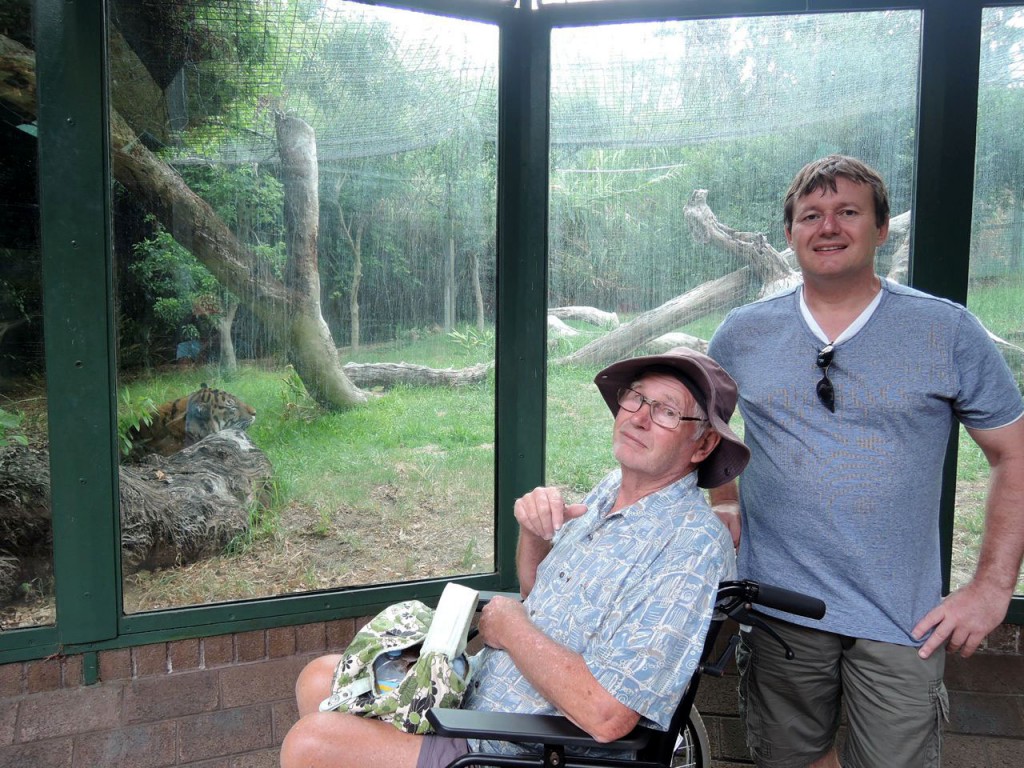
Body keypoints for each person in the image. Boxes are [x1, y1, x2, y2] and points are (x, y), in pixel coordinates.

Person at [280, 347, 750, 768]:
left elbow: (607, 716)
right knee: (319, 678)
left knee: (312, 745)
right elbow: (536, 595)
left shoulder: (691, 546)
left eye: (666, 411)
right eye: (636, 399)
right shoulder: (612, 491)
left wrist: (513, 628)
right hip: (478, 699)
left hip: (521, 749)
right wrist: (533, 534)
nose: (639, 418)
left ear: (704, 445)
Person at [707, 154, 1024, 768]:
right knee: (792, 759)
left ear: (880, 229)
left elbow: (1014, 455)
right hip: (780, 610)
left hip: (903, 616)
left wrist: (990, 589)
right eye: (811, 215)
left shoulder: (946, 331)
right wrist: (723, 499)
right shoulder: (743, 333)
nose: (828, 227)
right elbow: (705, 428)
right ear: (790, 234)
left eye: (848, 212)